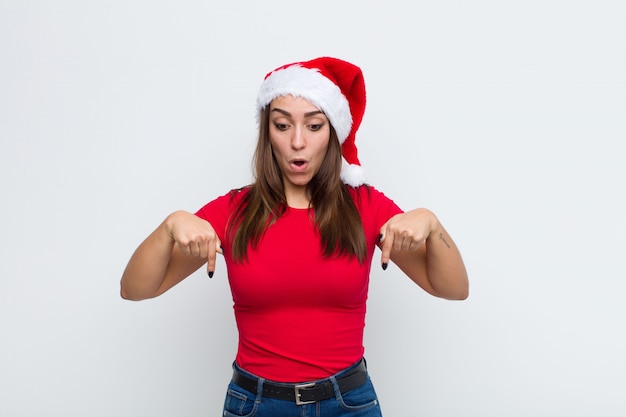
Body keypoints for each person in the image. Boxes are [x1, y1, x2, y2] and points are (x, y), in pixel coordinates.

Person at [120, 56, 469, 417]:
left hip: (348, 404)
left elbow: (452, 288)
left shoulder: (365, 206)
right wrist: (169, 226)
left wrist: (432, 223)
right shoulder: (234, 210)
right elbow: (135, 289)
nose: (297, 142)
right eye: (283, 125)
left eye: (314, 126)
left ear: (332, 131)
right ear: (267, 132)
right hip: (255, 405)